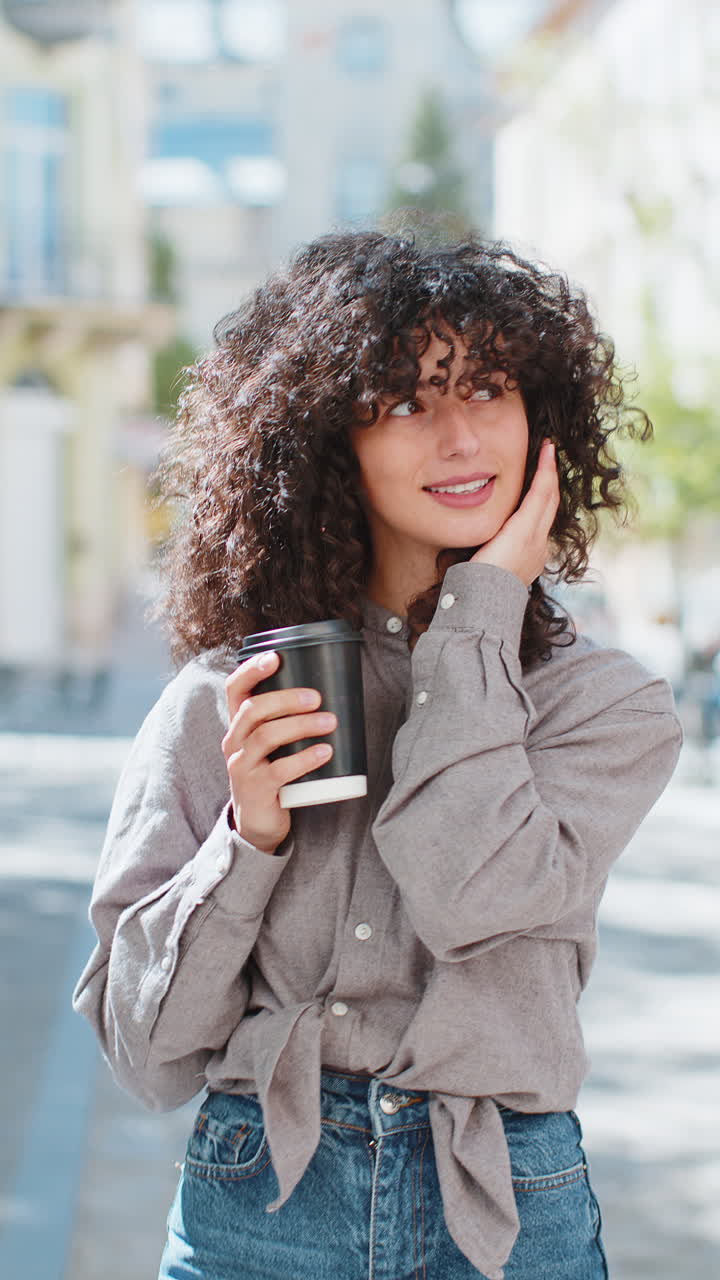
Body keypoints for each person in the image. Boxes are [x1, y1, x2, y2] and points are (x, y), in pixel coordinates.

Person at [73, 227, 683, 1280]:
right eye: (404, 402)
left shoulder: (605, 704)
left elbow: (474, 895)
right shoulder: (231, 696)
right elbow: (148, 1052)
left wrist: (483, 611)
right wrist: (246, 838)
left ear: (542, 418)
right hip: (261, 1195)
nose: (458, 435)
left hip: (502, 1207)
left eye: (488, 387)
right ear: (325, 445)